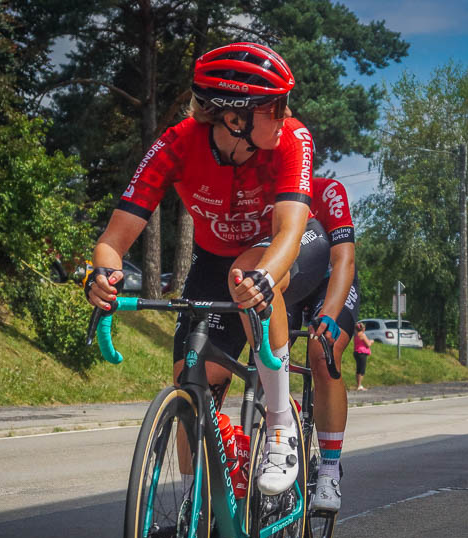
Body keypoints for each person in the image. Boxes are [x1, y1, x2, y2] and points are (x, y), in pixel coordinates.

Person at [84, 42, 322, 500]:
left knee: (244, 273)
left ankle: (278, 425)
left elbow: (289, 233)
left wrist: (264, 280)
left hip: (287, 247)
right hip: (214, 261)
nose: (287, 111)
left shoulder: (292, 137)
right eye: (275, 105)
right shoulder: (177, 144)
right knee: (192, 385)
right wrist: (103, 276)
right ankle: (198, 533)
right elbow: (113, 242)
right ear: (236, 118)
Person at [287, 177, 358, 512]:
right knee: (269, 355)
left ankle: (329, 469)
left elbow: (344, 258)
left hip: (330, 283)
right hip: (289, 282)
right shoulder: (257, 187)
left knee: (321, 351)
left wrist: (329, 313)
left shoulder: (328, 190)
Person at [353, 322, 373, 391]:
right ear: (362, 328)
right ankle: (359, 385)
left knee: (358, 369)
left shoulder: (356, 335)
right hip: (362, 353)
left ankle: (358, 384)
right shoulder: (362, 335)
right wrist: (371, 341)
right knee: (362, 370)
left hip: (356, 352)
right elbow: (368, 344)